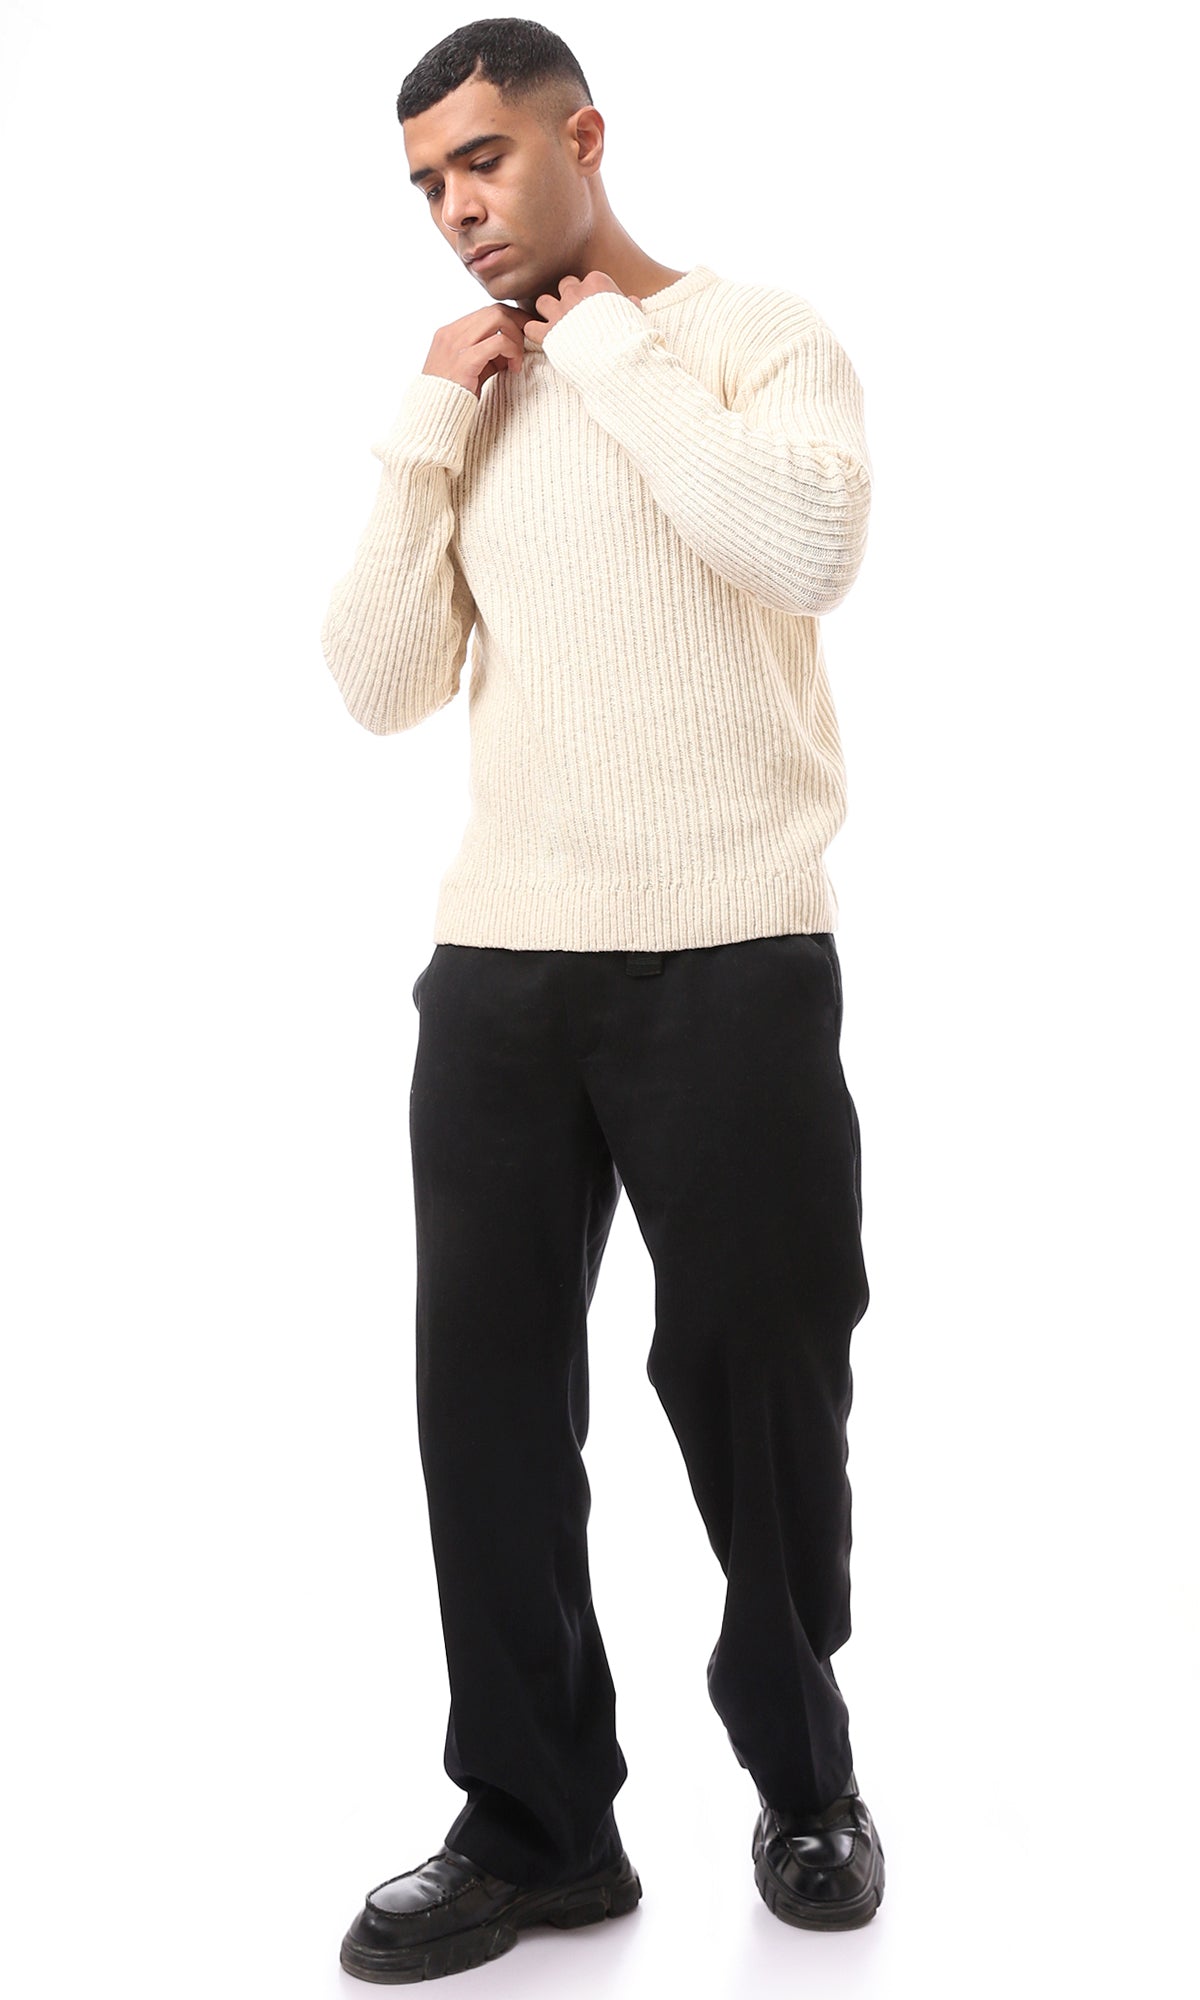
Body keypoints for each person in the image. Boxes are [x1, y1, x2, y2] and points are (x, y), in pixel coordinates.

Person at [321, 16, 884, 1984]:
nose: (457, 210)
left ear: (584, 137)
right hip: (500, 972)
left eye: (481, 161)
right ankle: (537, 1830)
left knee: (759, 1392)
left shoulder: (749, 336)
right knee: (480, 1409)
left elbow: (800, 545)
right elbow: (378, 683)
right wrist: (428, 422)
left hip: (731, 954)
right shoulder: (470, 395)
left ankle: (807, 1782)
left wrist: (608, 355)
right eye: (427, 187)